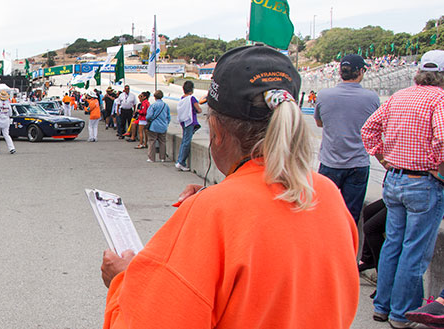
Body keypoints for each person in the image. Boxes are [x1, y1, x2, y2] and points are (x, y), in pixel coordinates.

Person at [100, 45, 359, 328]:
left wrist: (121, 281)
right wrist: (222, 197)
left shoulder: (212, 213)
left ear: (219, 132)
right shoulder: (326, 192)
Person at [361, 49, 444, 329]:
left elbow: (368, 129)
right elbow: (442, 140)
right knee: (414, 250)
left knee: (394, 245)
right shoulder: (440, 99)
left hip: (394, 180)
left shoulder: (399, 96)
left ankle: (382, 306)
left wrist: (383, 157)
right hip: (423, 182)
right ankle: (401, 313)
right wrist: (438, 168)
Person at [314, 54, 381, 223]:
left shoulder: (323, 95)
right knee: (351, 215)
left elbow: (319, 122)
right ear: (360, 71)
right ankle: (348, 246)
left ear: (340, 72)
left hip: (330, 162)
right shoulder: (371, 97)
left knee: (322, 211)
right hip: (358, 163)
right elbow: (377, 127)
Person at [175, 81, 202, 172]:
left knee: (184, 141)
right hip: (190, 122)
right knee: (187, 141)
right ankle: (181, 162)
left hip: (184, 122)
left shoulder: (182, 98)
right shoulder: (192, 98)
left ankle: (180, 160)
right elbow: (198, 109)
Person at [144, 90, 170, 163]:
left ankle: (151, 158)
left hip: (154, 126)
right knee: (162, 142)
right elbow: (168, 117)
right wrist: (166, 123)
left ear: (155, 97)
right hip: (163, 126)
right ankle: (162, 158)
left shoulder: (153, 105)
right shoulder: (165, 105)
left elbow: (148, 116)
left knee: (152, 141)